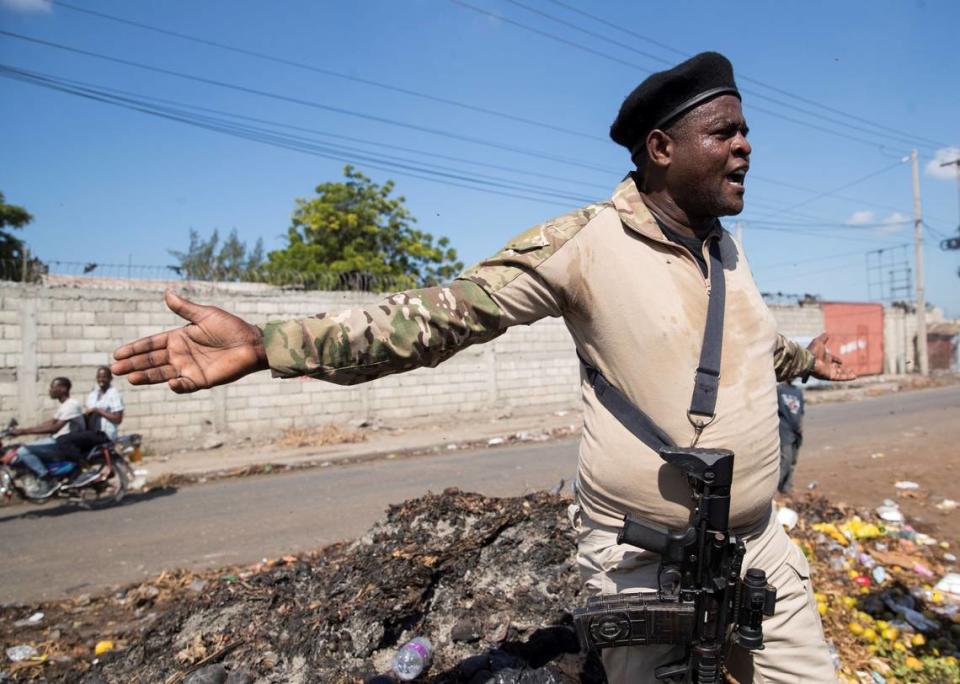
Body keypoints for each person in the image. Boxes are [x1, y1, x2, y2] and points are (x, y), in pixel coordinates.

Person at [112, 52, 857, 683]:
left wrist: (812, 364)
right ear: (661, 148)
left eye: (746, 131)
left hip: (758, 553)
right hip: (645, 565)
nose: (746, 146)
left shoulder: (727, 249)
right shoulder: (583, 245)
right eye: (724, 132)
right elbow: (433, 318)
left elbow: (761, 349)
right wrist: (269, 344)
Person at [9, 376, 84, 497]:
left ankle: (47, 480)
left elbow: (55, 428)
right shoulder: (64, 405)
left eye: (53, 387)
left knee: (23, 451)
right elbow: (51, 422)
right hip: (58, 441)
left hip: (64, 444)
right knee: (20, 448)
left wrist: (24, 432)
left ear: (63, 389)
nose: (50, 390)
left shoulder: (71, 405)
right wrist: (24, 430)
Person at [777, 380, 805, 494]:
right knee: (786, 460)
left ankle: (787, 487)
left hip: (796, 432)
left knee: (793, 461)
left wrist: (800, 427)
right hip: (784, 430)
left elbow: (801, 412)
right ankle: (773, 489)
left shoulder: (798, 391)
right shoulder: (779, 390)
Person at [84, 366, 124, 441]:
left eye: (104, 377)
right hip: (92, 432)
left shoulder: (114, 394)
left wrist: (98, 410)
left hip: (106, 434)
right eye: (98, 377)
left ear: (110, 379)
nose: (101, 379)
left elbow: (118, 419)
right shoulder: (93, 394)